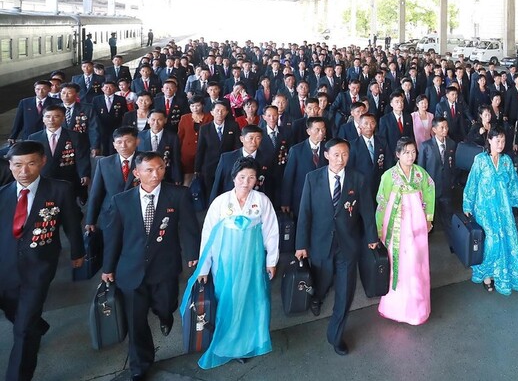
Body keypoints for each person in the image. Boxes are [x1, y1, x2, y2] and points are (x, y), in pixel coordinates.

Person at [101, 152, 201, 381]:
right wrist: (108, 268)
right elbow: (113, 238)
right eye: (149, 170)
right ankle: (140, 364)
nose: (156, 174)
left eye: (160, 169)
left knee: (165, 304)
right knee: (136, 322)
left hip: (165, 266)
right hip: (130, 270)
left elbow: (188, 227)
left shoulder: (177, 195)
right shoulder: (122, 200)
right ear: (137, 173)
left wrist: (193, 255)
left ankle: (165, 315)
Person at [182, 157, 279, 368]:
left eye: (251, 178)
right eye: (242, 177)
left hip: (252, 262)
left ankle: (245, 344)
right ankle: (225, 345)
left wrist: (271, 260)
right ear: (234, 177)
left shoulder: (262, 201)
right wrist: (204, 267)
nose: (246, 182)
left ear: (257, 180)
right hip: (225, 263)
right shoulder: (221, 202)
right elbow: (208, 236)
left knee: (251, 301)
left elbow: (271, 232)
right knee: (227, 301)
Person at [0, 141, 84, 381]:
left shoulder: (59, 190)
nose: (24, 171)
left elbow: (70, 223)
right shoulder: (3, 195)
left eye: (31, 164)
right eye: (18, 165)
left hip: (39, 267)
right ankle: (37, 322)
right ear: (10, 165)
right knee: (12, 309)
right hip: (4, 268)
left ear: (42, 162)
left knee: (23, 330)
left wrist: (77, 253)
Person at [296, 139, 379, 355]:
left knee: (345, 292)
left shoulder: (358, 179)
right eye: (336, 155)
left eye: (344, 155)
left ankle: (336, 335)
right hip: (320, 243)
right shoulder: (312, 179)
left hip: (348, 245)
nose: (340, 159)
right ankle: (317, 296)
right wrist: (301, 245)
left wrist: (372, 237)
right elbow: (304, 213)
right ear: (326, 155)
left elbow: (368, 212)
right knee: (321, 282)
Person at [375, 138, 435, 324]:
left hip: (416, 225)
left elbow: (429, 192)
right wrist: (379, 228)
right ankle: (395, 307)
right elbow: (382, 202)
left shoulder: (420, 174)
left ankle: (417, 307)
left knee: (417, 263)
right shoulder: (388, 176)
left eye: (413, 152)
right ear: (398, 154)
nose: (411, 156)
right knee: (397, 264)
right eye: (406, 152)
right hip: (395, 226)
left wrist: (429, 218)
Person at [463, 129, 518, 295]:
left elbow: (514, 183)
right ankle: (486, 275)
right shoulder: (480, 160)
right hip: (484, 209)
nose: (500, 144)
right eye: (497, 141)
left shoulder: (507, 161)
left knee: (506, 240)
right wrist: (467, 205)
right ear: (489, 141)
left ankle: (502, 274)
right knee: (491, 241)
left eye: (503, 141)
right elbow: (472, 183)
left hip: (503, 208)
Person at [85, 126, 140, 230]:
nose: (123, 146)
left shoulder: (146, 161)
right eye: (119, 142)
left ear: (137, 142)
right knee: (111, 245)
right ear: (114, 145)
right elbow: (96, 193)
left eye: (128, 141)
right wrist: (90, 220)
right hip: (111, 213)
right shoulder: (104, 163)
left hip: (138, 212)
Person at [416, 117, 458, 226]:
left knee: (448, 217)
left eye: (446, 127)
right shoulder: (426, 146)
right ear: (434, 130)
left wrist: (452, 181)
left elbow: (453, 165)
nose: (445, 130)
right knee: (429, 217)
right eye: (442, 127)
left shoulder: (452, 143)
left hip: (446, 186)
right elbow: (421, 168)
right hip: (431, 186)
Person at [177, 97, 212, 186]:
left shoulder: (210, 117)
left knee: (203, 177)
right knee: (187, 178)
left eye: (197, 106)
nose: (195, 108)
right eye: (192, 106)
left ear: (203, 106)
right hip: (187, 153)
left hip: (204, 152)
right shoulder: (184, 118)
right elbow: (180, 136)